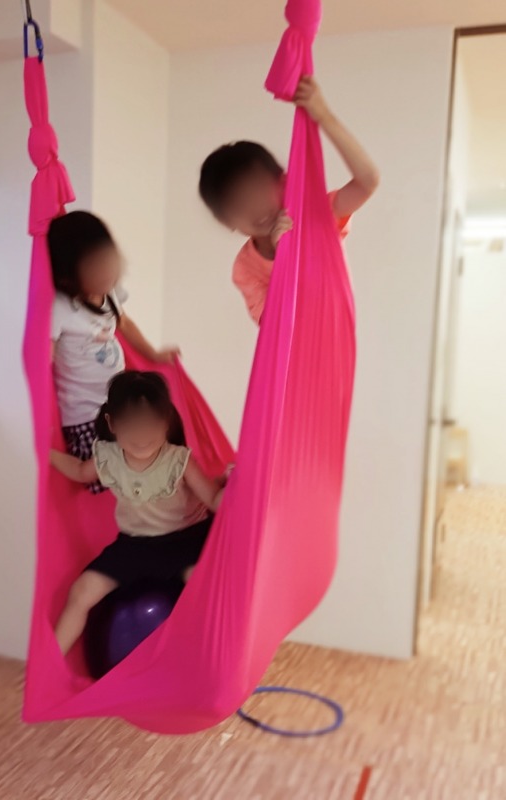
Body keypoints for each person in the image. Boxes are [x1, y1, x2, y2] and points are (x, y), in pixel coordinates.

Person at [49, 371, 226, 656]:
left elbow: (214, 500)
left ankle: (210, 658)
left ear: (166, 422)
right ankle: (49, 663)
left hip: (185, 541)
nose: (142, 435)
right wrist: (45, 452)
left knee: (202, 585)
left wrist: (239, 483)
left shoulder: (178, 460)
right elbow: (80, 471)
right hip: (134, 544)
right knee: (82, 591)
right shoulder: (109, 457)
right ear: (113, 424)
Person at [198, 76, 380, 325]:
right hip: (298, 349)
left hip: (337, 337)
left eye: (258, 188)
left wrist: (323, 115)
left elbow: (368, 181)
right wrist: (284, 256)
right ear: (226, 222)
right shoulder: (245, 268)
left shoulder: (316, 215)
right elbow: (274, 327)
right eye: (239, 202)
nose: (254, 206)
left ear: (283, 182)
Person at [49, 211, 179, 493]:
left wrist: (153, 354)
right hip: (84, 413)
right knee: (100, 472)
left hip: (117, 404)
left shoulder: (109, 292)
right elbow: (45, 359)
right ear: (69, 279)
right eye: (95, 268)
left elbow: (125, 324)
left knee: (149, 451)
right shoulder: (61, 307)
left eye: (109, 260)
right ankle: (48, 455)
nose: (108, 272)